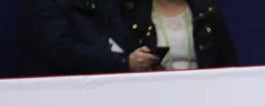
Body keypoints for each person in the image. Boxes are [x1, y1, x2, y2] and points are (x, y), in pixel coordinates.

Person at [21, 0, 162, 76]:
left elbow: (123, 38)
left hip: (117, 86)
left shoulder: (107, 4)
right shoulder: (48, 4)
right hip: (68, 93)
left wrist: (141, 57)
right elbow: (62, 51)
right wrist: (124, 62)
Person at [122, 0, 238, 70]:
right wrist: (130, 63)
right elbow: (116, 61)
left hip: (203, 92)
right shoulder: (133, 14)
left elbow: (228, 60)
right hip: (153, 92)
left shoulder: (207, 12)